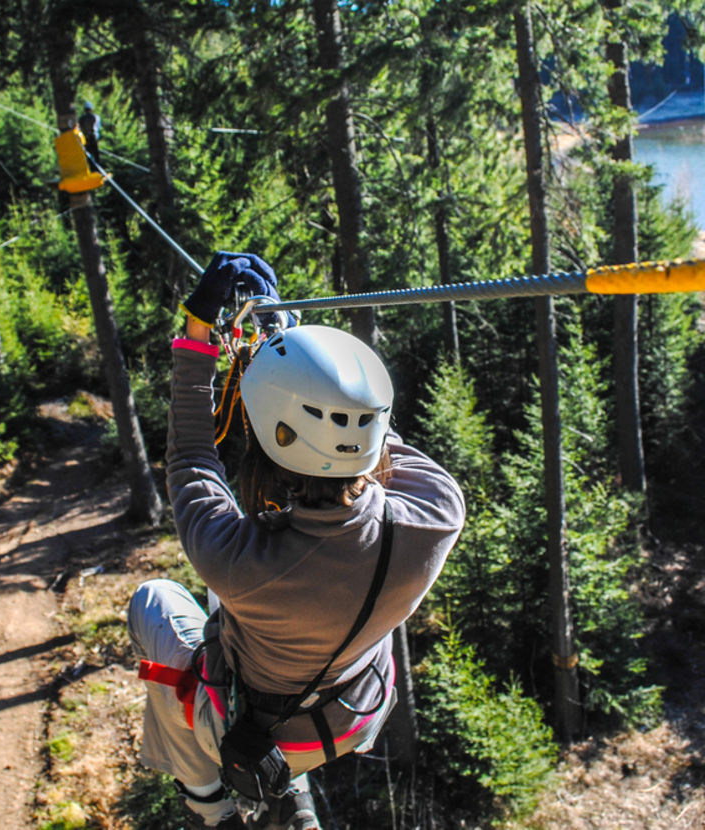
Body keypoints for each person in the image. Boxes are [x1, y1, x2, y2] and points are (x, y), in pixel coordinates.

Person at [127, 253, 465, 829]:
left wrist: (198, 334)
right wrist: (292, 353)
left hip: (265, 726)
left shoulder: (238, 561)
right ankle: (296, 801)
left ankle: (211, 805)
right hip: (357, 712)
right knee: (231, 611)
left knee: (154, 602)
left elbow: (190, 458)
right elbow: (372, 440)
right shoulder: (436, 514)